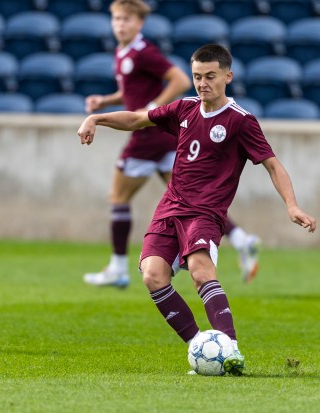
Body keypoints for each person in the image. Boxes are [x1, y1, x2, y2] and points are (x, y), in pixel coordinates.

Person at [77, 44, 316, 375]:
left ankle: (230, 351)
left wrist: (292, 206)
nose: (203, 84)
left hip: (205, 213)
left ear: (228, 77)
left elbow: (273, 166)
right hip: (169, 209)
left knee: (201, 271)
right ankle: (201, 348)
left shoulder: (241, 122)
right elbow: (136, 119)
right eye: (197, 77)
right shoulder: (183, 109)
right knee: (152, 275)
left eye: (210, 77)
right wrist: (96, 118)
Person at [83, 0, 261, 288]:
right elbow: (132, 91)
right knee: (190, 200)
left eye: (126, 19)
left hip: (149, 133)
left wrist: (151, 108)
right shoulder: (123, 52)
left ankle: (117, 266)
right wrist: (105, 101)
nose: (120, 24)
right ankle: (242, 239)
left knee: (117, 197)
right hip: (168, 139)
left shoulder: (143, 52)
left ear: (140, 23)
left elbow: (178, 79)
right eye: (116, 19)